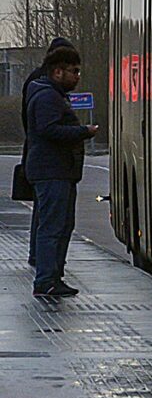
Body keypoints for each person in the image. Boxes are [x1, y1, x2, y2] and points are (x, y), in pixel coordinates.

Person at [19, 44, 99, 298]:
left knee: (61, 225)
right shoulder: (47, 97)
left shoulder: (51, 94)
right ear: (57, 72)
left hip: (58, 170)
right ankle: (46, 280)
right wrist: (83, 132)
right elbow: (48, 130)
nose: (77, 76)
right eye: (73, 71)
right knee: (53, 227)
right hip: (52, 170)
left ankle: (53, 276)